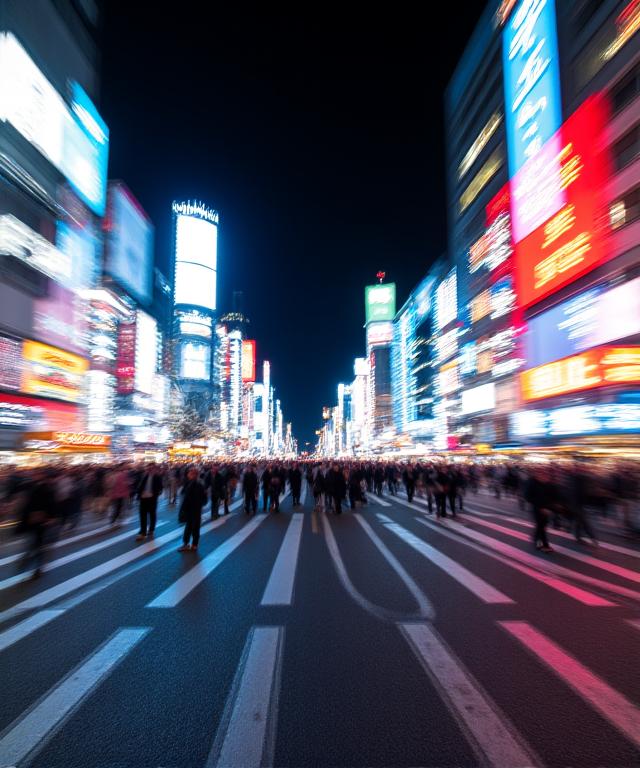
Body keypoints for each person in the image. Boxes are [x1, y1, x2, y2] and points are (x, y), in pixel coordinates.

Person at [18, 469, 56, 578]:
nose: (34, 476)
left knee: (38, 545)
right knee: (34, 543)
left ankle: (37, 567)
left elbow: (51, 505)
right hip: (33, 519)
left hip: (41, 520)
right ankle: (30, 562)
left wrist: (51, 518)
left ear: (43, 476)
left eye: (37, 474)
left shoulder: (47, 488)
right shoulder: (34, 485)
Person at [178, 468, 207, 552]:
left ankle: (187, 544)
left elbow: (187, 498)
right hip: (196, 509)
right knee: (194, 527)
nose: (188, 475)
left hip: (192, 509)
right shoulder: (194, 484)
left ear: (194, 475)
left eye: (190, 473)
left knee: (190, 527)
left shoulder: (194, 484)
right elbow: (204, 499)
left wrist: (184, 508)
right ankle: (194, 545)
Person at [525, 467, 553, 552]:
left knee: (542, 527)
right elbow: (528, 497)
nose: (543, 475)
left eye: (544, 473)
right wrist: (540, 507)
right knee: (540, 526)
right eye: (540, 473)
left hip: (546, 509)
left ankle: (541, 542)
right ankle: (540, 543)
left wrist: (549, 507)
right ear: (536, 474)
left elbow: (549, 496)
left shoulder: (546, 483)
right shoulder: (531, 483)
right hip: (537, 509)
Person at [135, 464, 163, 540]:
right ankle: (143, 532)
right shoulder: (144, 475)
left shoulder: (157, 477)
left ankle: (151, 529)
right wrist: (139, 494)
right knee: (142, 515)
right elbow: (140, 485)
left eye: (151, 468)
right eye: (148, 468)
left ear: (154, 469)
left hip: (152, 499)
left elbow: (161, 487)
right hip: (143, 498)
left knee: (152, 515)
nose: (149, 469)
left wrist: (155, 494)